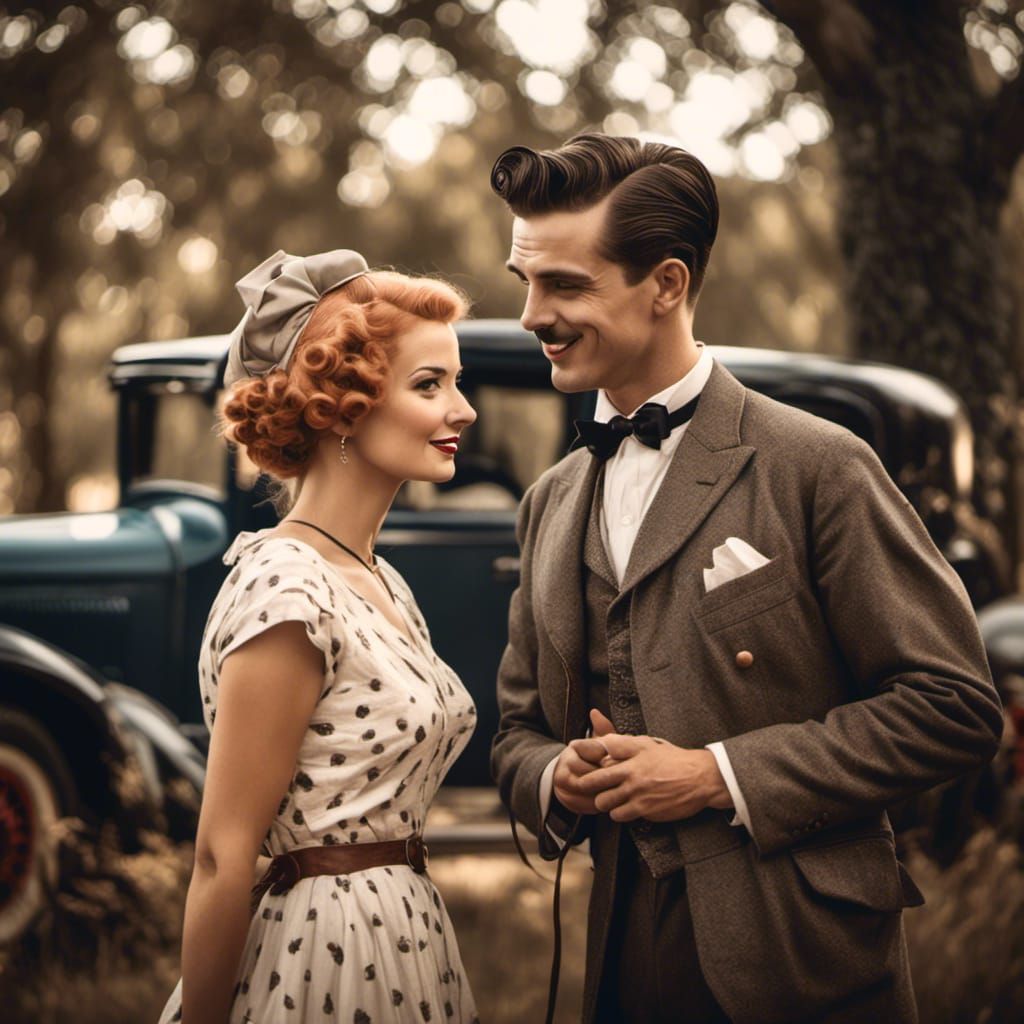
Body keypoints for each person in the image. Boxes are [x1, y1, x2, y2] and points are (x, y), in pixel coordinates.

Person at [488, 133, 1003, 1024]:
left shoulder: (820, 465)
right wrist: (557, 778)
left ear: (668, 284)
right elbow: (516, 733)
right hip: (620, 961)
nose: (533, 314)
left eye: (566, 284)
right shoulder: (550, 500)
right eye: (525, 282)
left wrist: (716, 775)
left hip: (802, 958)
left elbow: (951, 706)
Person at [158, 249, 480, 1024]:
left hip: (408, 943)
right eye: (431, 385)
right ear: (346, 405)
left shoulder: (380, 580)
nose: (463, 410)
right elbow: (220, 857)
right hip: (324, 960)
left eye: (455, 383)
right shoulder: (288, 587)